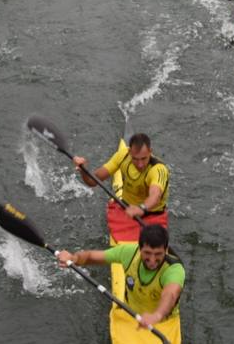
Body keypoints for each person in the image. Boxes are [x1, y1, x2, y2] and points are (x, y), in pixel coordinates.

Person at [55, 224, 184, 332]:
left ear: (166, 250)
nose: (152, 260)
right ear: (139, 248)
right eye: (147, 253)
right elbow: (91, 257)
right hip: (130, 316)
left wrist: (156, 316)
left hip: (163, 323)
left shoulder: (174, 269)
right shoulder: (128, 252)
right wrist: (74, 258)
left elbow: (170, 294)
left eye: (158, 254)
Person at [72, 132, 171, 220]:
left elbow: (155, 195)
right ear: (129, 152)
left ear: (150, 151)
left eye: (144, 158)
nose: (140, 164)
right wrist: (83, 170)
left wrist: (142, 208)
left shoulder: (158, 169)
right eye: (135, 159)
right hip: (126, 208)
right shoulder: (123, 155)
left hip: (152, 214)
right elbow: (92, 181)